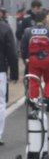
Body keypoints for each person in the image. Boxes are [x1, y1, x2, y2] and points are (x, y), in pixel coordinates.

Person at [20, 11, 49, 112]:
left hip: (33, 60)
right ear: (45, 19)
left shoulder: (28, 31)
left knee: (33, 80)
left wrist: (24, 58)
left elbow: (23, 47)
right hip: (48, 59)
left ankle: (34, 101)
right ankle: (47, 99)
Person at [0, 16, 19, 145]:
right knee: (0, 103)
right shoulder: (4, 28)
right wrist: (14, 73)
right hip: (0, 70)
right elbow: (12, 52)